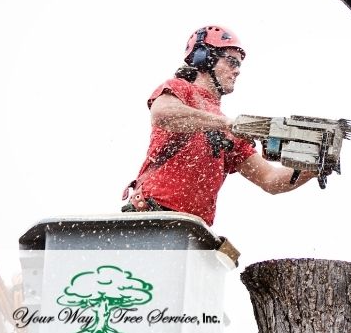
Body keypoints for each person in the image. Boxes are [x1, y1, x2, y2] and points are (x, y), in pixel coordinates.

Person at [122, 25, 316, 225]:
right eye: (231, 61)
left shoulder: (231, 132)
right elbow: (162, 115)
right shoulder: (181, 89)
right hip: (152, 215)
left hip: (194, 228)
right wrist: (226, 124)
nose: (237, 70)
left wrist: (312, 168)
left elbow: (270, 179)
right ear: (204, 58)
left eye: (239, 65)